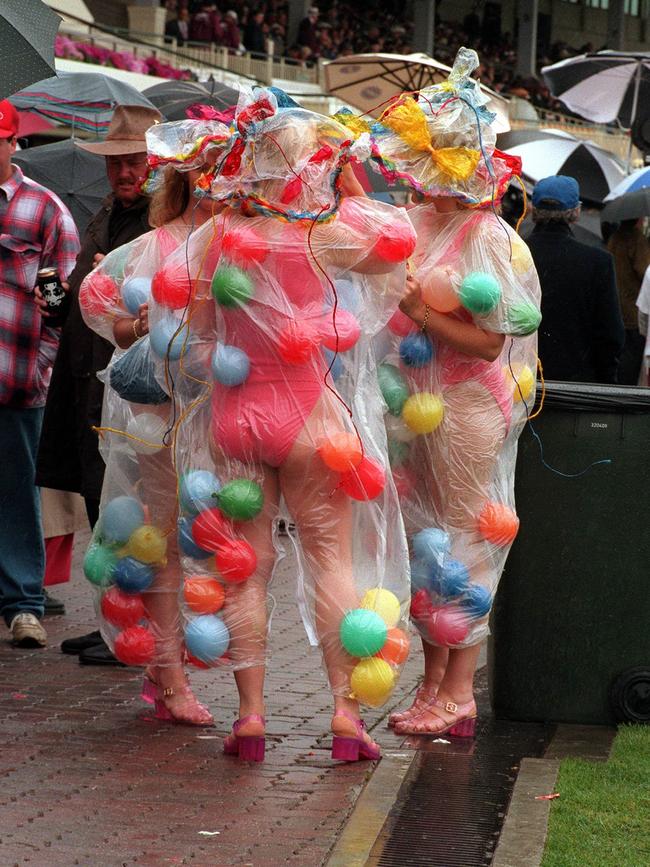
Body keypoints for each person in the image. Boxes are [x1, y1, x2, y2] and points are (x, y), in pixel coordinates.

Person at [88, 89, 416, 762]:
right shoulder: (325, 233)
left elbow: (183, 339)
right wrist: (347, 179)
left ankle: (252, 716)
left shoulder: (214, 240)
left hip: (235, 420)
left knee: (244, 571)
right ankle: (344, 714)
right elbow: (397, 243)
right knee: (332, 560)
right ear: (310, 165)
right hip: (312, 418)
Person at [367, 47, 541, 737]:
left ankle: (460, 691)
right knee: (424, 545)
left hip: (467, 409)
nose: (420, 173)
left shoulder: (487, 235)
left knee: (464, 546)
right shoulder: (416, 223)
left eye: (434, 157)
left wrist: (420, 313)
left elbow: (492, 341)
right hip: (411, 405)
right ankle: (433, 682)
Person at [78, 119, 234, 722]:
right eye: (210, 174)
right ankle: (170, 678)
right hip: (159, 415)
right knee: (166, 537)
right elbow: (108, 316)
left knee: (208, 538)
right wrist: (148, 325)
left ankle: (166, 666)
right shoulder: (156, 244)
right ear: (188, 180)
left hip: (220, 411)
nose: (220, 185)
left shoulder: (244, 240)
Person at [35, 105, 162, 664]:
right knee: (96, 500)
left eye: (133, 162)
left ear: (155, 163)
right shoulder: (105, 216)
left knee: (131, 508)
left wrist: (127, 278)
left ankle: (137, 629)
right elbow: (88, 299)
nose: (123, 174)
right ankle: (112, 619)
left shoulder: (163, 221)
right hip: (85, 381)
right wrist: (60, 301)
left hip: (131, 388)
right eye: (115, 165)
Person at [0, 99, 80, 647]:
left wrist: (42, 366)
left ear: (11, 143)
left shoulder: (44, 211)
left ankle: (23, 603)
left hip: (17, 380)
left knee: (15, 493)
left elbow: (61, 304)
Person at [527, 176, 625, 384]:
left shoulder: (512, 253)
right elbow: (611, 335)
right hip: (577, 386)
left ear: (532, 208)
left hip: (517, 381)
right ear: (576, 211)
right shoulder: (598, 262)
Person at [606, 218, 650, 384]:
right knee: (632, 358)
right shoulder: (637, 240)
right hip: (633, 308)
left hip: (616, 304)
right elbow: (645, 270)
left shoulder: (614, 238)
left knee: (620, 353)